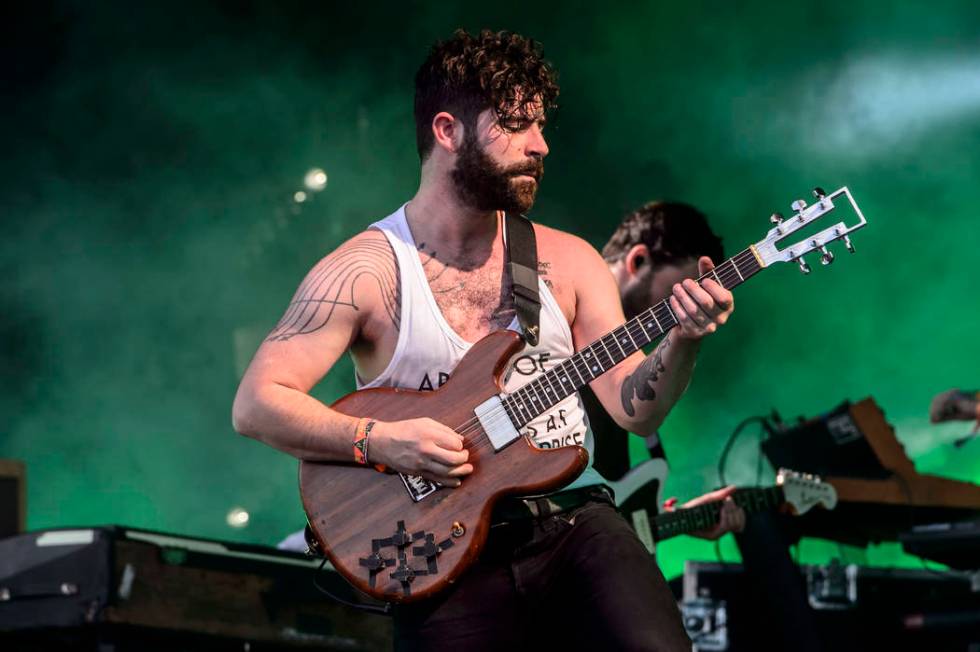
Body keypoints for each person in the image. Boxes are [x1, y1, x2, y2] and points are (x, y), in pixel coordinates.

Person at [232, 29, 733, 652]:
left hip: (572, 525)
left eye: (541, 125)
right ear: (448, 131)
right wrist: (382, 440)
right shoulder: (364, 272)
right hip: (436, 551)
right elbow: (257, 404)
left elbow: (637, 409)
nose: (541, 145)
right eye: (516, 125)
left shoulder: (568, 262)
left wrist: (684, 340)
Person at [591, 201, 745, 541]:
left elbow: (600, 497)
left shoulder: (636, 360)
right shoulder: (555, 321)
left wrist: (675, 520)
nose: (688, 311)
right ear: (638, 260)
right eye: (681, 295)